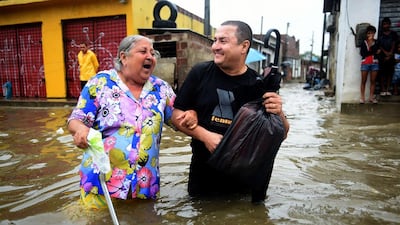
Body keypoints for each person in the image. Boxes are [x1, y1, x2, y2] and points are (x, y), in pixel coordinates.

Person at [67, 35, 195, 209]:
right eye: (143, 51)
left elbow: (179, 119)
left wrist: (191, 114)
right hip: (101, 182)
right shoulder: (101, 82)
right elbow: (76, 120)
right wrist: (81, 130)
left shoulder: (161, 88)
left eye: (153, 52)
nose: (150, 56)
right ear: (124, 57)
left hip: (145, 185)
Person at [171, 20, 290, 203]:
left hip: (243, 180)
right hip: (203, 176)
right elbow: (176, 116)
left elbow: (281, 134)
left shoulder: (258, 85)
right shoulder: (200, 73)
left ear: (244, 47)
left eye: (223, 41)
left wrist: (279, 112)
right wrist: (205, 136)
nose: (215, 47)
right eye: (215, 40)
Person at [359, 25, 380, 104]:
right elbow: (362, 53)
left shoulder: (377, 42)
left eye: (372, 33)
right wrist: (371, 48)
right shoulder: (363, 43)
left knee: (373, 81)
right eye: (369, 33)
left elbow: (378, 52)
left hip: (374, 63)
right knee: (363, 81)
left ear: (374, 33)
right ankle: (362, 97)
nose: (370, 35)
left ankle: (371, 97)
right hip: (365, 63)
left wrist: (372, 49)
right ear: (366, 34)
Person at [377, 17, 398, 96]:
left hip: (391, 56)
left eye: (387, 24)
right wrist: (385, 53)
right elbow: (379, 45)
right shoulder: (380, 34)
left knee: (389, 73)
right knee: (382, 73)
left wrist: (390, 54)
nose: (385, 26)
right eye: (384, 24)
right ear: (382, 25)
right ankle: (382, 89)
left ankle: (388, 89)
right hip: (382, 57)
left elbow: (394, 44)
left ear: (390, 24)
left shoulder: (393, 34)